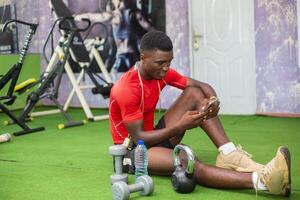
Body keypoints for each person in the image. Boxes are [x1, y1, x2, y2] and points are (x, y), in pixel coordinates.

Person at [108, 30, 291, 196]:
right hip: (133, 151)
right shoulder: (127, 88)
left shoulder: (159, 73)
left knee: (195, 94)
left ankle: (228, 154)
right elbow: (140, 137)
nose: (165, 68)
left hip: (155, 137)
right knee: (190, 162)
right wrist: (180, 126)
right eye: (160, 63)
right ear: (143, 57)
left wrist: (213, 101)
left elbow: (201, 86)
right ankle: (263, 182)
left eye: (169, 62)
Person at [75, 0, 156, 73]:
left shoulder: (115, 16)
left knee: (114, 84)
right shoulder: (136, 14)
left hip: (122, 58)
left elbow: (91, 17)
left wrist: (75, 17)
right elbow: (152, 30)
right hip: (134, 58)